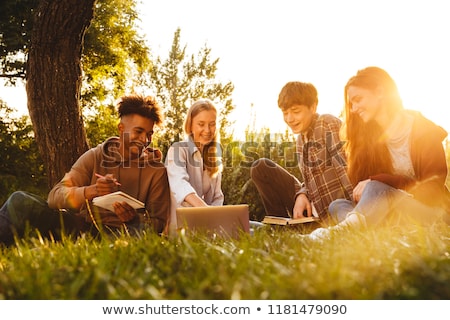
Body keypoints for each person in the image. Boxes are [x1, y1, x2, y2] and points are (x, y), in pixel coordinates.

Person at [0, 94, 170, 245]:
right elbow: (54, 197)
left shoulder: (156, 170)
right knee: (20, 201)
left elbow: (159, 222)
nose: (144, 139)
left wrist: (133, 219)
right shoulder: (95, 156)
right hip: (83, 229)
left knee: (136, 235)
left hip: (124, 234)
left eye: (149, 134)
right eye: (139, 131)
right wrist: (92, 190)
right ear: (121, 129)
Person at [309, 66, 450, 240]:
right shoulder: (370, 140)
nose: (353, 109)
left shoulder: (423, 131)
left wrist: (383, 181)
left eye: (358, 99)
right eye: (351, 103)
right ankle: (381, 230)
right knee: (337, 205)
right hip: (392, 211)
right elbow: (366, 195)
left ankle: (336, 234)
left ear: (380, 92)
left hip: (431, 212)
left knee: (376, 187)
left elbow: (433, 191)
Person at [250, 81, 353, 223]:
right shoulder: (300, 141)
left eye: (295, 111)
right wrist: (302, 194)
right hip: (312, 209)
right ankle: (279, 227)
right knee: (261, 167)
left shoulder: (326, 124)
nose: (289, 119)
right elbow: (310, 180)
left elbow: (346, 169)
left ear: (313, 107)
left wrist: (358, 213)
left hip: (335, 213)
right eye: (285, 113)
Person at [165, 99, 224, 235]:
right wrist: (206, 210)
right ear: (190, 125)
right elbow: (179, 185)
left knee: (255, 228)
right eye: (201, 124)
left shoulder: (214, 157)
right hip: (182, 228)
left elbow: (217, 198)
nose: (207, 130)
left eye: (212, 124)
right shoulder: (178, 150)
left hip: (208, 227)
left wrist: (216, 220)